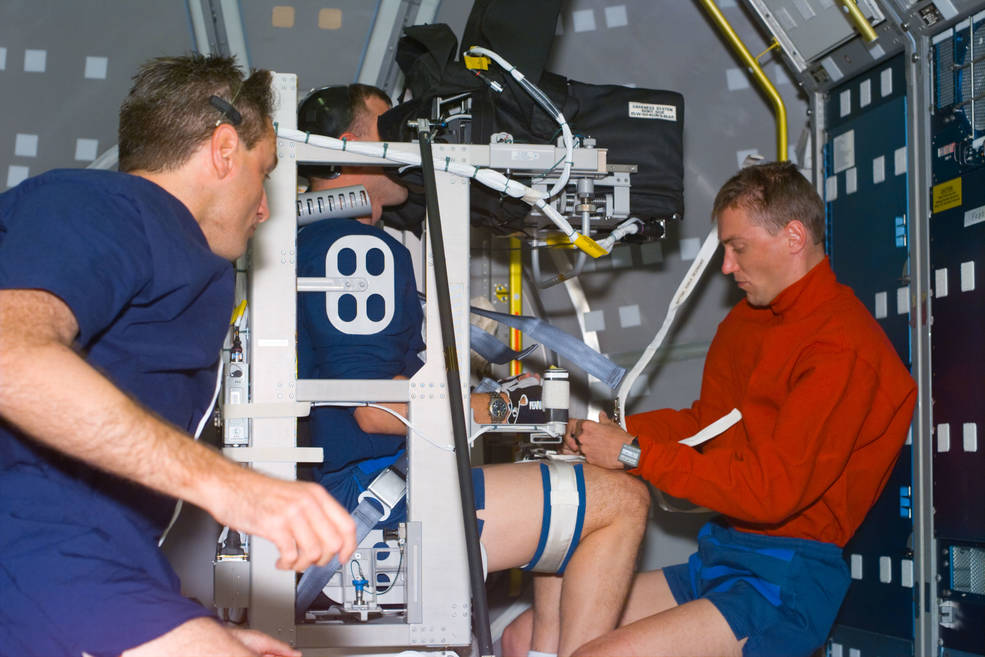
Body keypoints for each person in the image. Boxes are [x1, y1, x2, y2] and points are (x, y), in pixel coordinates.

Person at [0, 55, 357, 657]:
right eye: (263, 171)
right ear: (223, 150)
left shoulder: (176, 253)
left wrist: (191, 626)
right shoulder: (101, 206)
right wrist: (233, 488)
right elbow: (10, 355)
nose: (265, 207)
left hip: (90, 564)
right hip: (38, 550)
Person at [503, 161, 917, 657]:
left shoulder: (842, 348)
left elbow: (772, 492)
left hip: (786, 579)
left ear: (792, 236)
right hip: (722, 557)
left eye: (737, 248)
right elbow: (709, 424)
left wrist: (634, 454)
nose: (726, 267)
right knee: (520, 636)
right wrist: (606, 431)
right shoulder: (747, 323)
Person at [295, 84, 650, 657]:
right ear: (347, 148)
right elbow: (372, 409)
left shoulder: (309, 241)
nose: (409, 141)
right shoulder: (355, 249)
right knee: (620, 501)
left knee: (566, 517)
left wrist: (497, 401)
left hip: (357, 492)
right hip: (383, 499)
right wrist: (508, 409)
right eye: (393, 126)